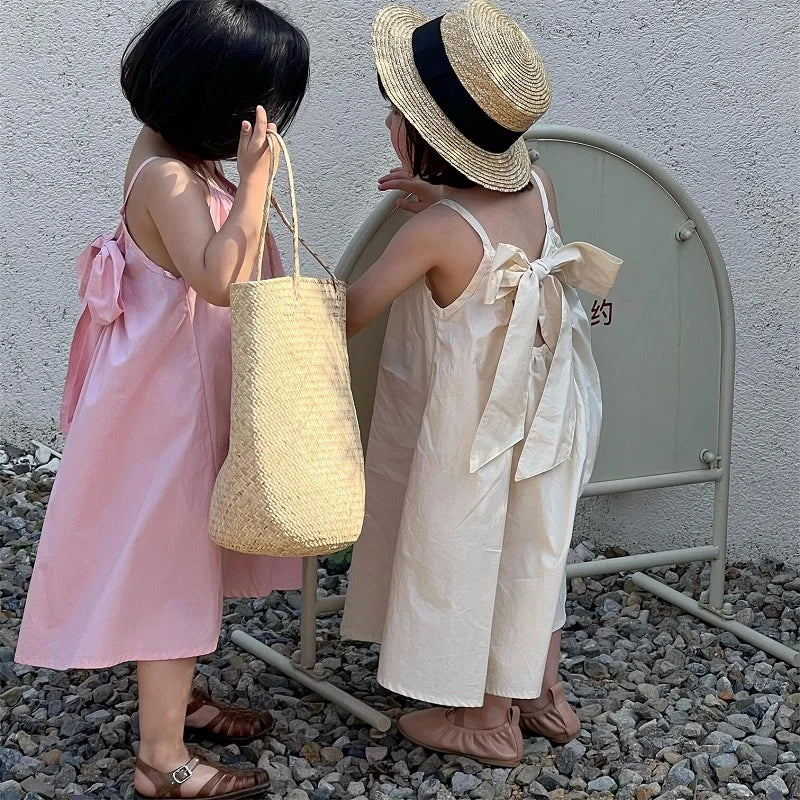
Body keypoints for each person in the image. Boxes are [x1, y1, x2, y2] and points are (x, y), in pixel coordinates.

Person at [15, 2, 309, 797]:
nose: (265, 126)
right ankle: (162, 756)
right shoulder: (171, 175)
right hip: (166, 406)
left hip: (173, 388)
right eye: (258, 108)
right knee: (171, 561)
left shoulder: (171, 153)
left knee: (185, 549)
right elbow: (216, 276)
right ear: (216, 104)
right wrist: (253, 186)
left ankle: (173, 700)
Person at [342, 0, 622, 767]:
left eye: (396, 113)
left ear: (421, 137)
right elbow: (490, 229)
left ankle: (484, 720)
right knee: (535, 543)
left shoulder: (430, 234)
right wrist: (444, 199)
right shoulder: (540, 187)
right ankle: (542, 694)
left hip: (476, 429)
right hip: (550, 403)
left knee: (468, 550)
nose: (390, 122)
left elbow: (349, 313)